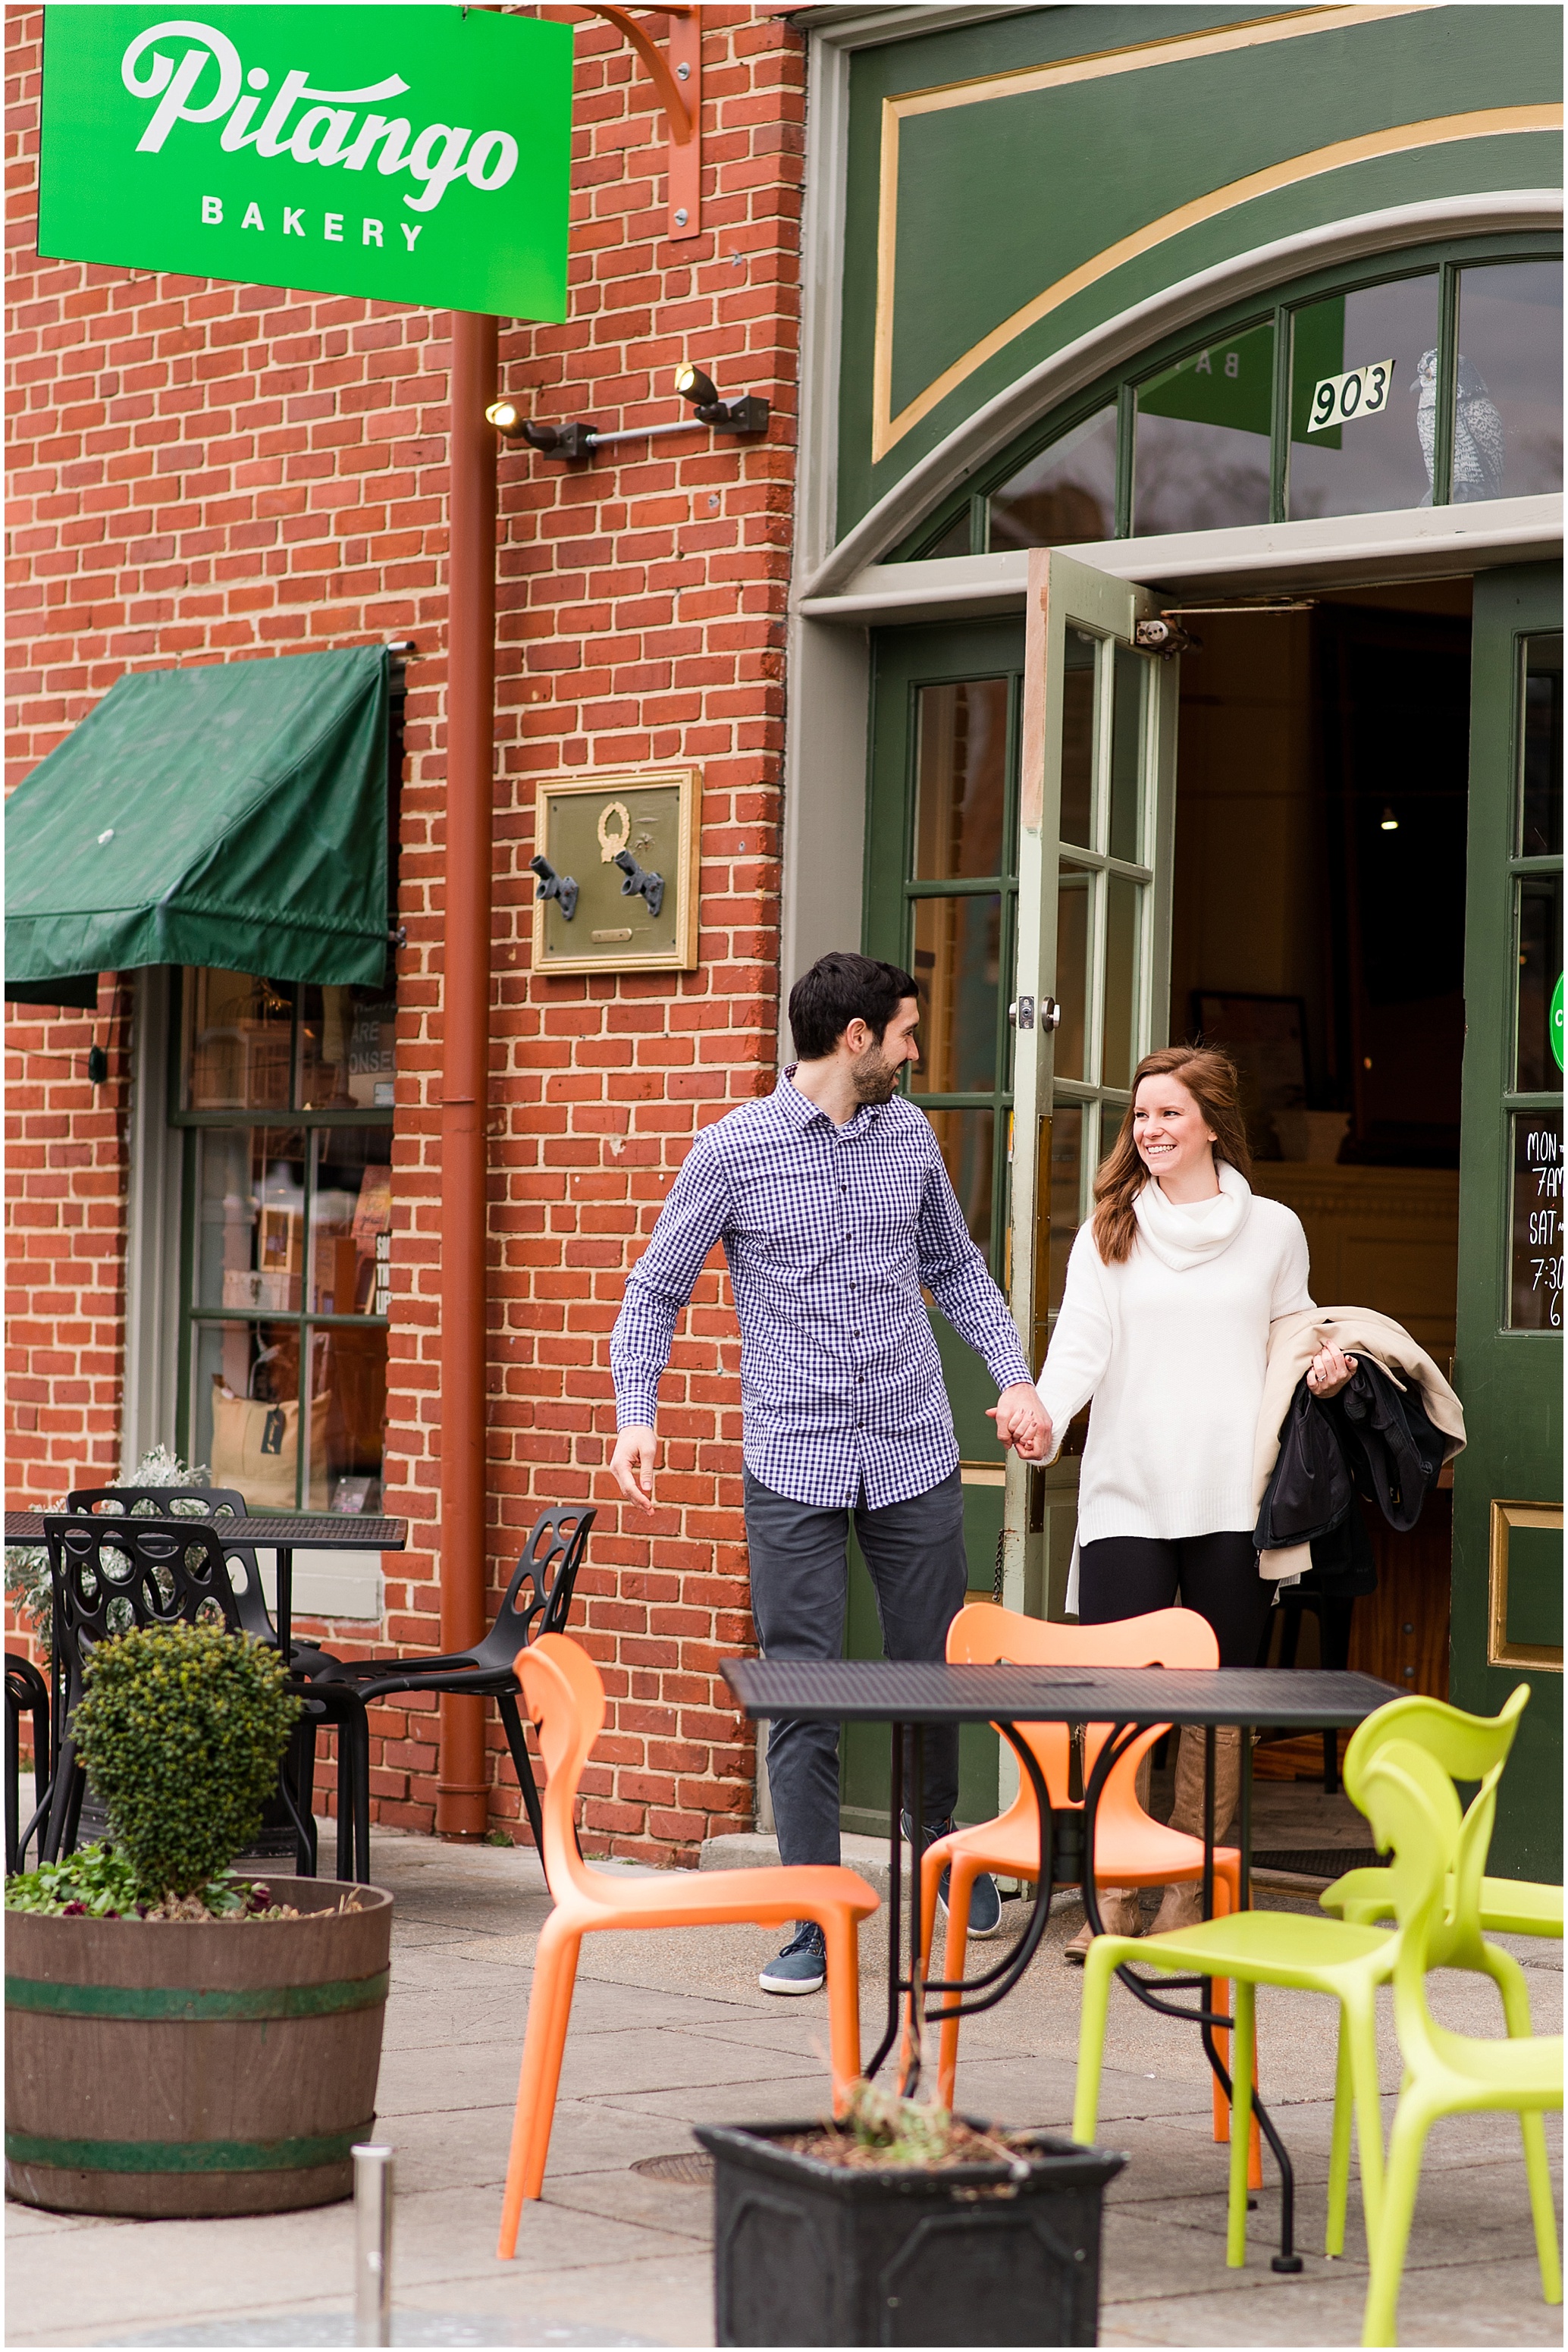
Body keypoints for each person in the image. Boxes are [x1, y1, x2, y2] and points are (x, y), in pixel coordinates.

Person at [610, 951, 1049, 1993]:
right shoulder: (732, 1151)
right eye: (903, 1033)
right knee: (801, 1687)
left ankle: (939, 1849)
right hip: (794, 1462)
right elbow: (653, 1291)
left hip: (912, 1447)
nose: (913, 1052)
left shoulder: (909, 1137)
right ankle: (810, 1914)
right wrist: (638, 1417)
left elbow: (957, 1268)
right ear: (854, 1039)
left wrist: (1018, 1380)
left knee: (929, 1669)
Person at [1019, 1046, 1355, 1956]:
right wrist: (1043, 1412)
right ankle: (1117, 1889)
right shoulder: (1110, 1229)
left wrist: (1324, 1370)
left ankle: (1185, 1889)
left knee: (1211, 1704)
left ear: (1210, 1121)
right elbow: (1080, 1343)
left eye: (1168, 1114)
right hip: (1128, 1491)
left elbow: (1292, 1333)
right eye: (1140, 1118)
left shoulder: (1274, 1230)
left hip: (1233, 1496)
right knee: (1124, 1699)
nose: (1151, 1131)